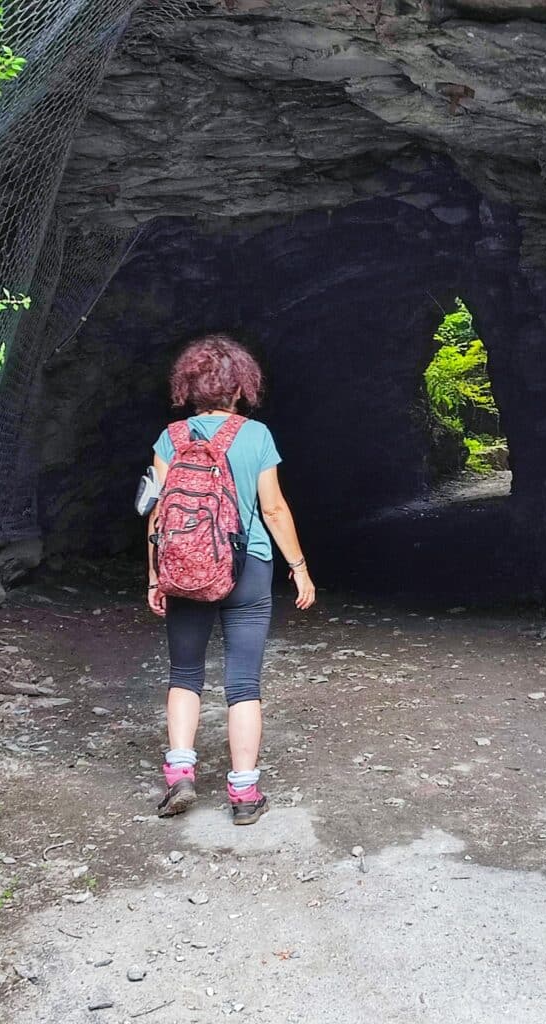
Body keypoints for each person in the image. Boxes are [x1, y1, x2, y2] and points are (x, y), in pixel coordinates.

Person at [147, 333, 315, 824]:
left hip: (184, 568)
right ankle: (244, 795)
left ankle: (180, 774)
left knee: (184, 674)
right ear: (240, 387)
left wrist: (156, 575)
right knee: (243, 682)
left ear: (190, 388)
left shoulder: (170, 439)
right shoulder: (256, 436)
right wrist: (300, 569)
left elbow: (158, 517)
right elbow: (274, 509)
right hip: (248, 568)